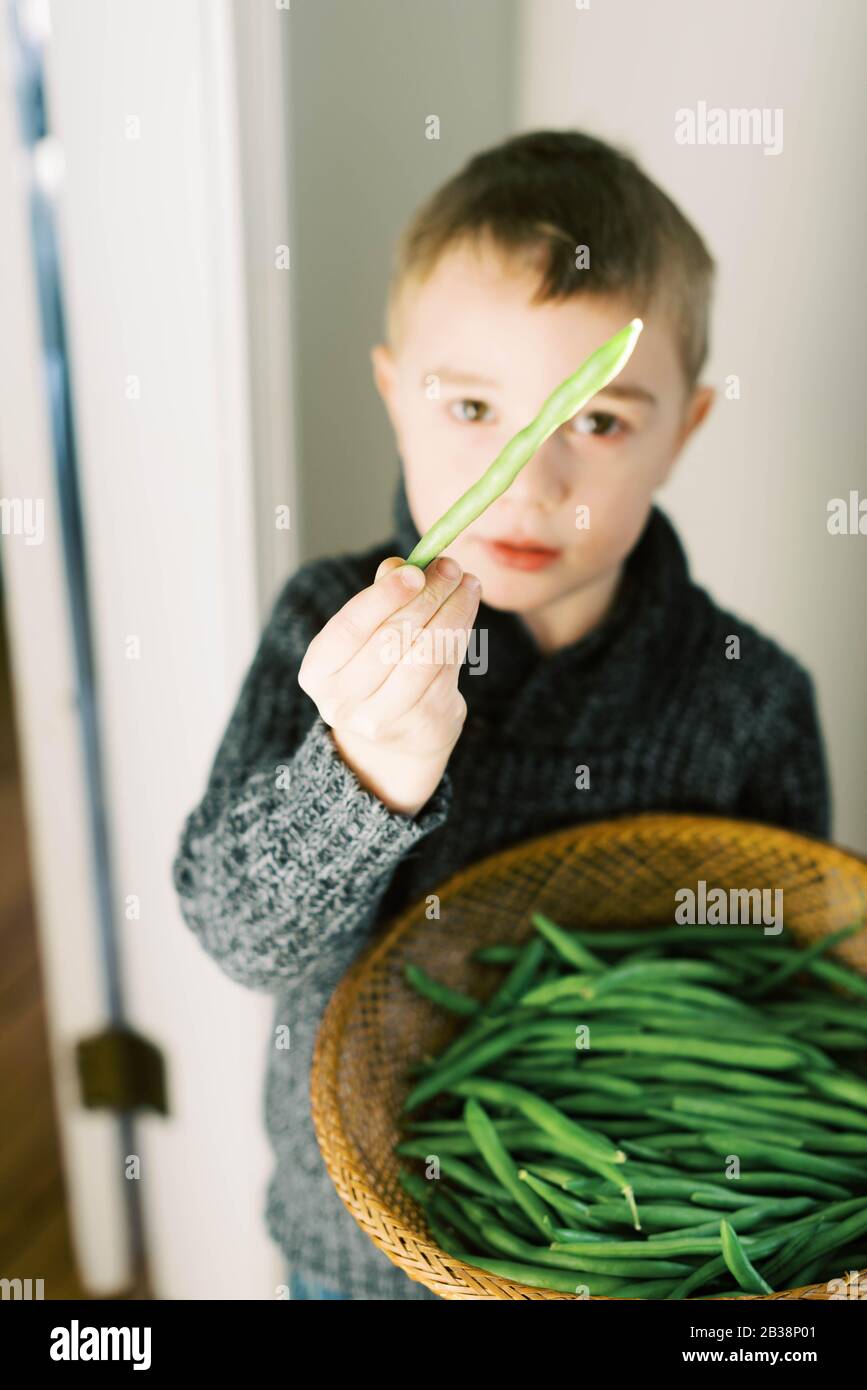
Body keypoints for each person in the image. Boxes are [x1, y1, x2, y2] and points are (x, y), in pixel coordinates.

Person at [172, 130, 830, 1301]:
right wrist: (362, 769)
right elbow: (233, 934)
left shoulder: (751, 696)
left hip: (637, 1263)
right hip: (360, 1257)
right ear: (393, 392)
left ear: (686, 429)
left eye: (600, 420)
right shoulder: (323, 626)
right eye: (475, 406)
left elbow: (780, 1003)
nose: (530, 483)